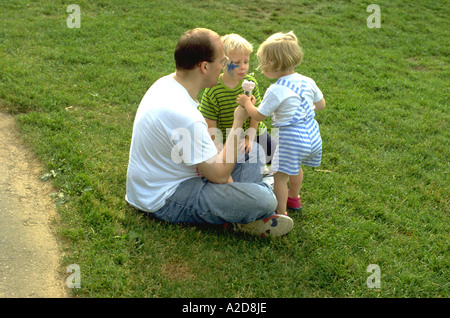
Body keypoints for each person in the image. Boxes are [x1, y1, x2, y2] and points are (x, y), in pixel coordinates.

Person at [125, 28, 293, 238]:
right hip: (165, 197)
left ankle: (244, 204)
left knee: (255, 151)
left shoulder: (166, 83)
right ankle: (255, 200)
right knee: (266, 200)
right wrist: (238, 121)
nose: (224, 67)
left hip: (185, 173)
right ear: (204, 67)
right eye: (222, 62)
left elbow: (203, 148)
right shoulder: (184, 115)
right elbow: (220, 176)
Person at [237, 31, 326, 215]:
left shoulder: (276, 89)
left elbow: (259, 116)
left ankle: (281, 212)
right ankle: (294, 198)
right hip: (312, 136)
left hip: (291, 138)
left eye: (262, 62)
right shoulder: (307, 81)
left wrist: (246, 103)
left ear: (271, 63)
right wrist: (303, 111)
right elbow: (321, 104)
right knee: (295, 166)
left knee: (279, 175)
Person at [199, 34, 276, 165]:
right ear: (223, 63)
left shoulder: (251, 83)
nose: (243, 67)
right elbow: (210, 121)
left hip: (255, 133)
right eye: (237, 63)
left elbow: (255, 115)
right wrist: (216, 143)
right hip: (228, 136)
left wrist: (249, 138)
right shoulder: (213, 88)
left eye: (246, 62)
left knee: (280, 158)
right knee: (234, 165)